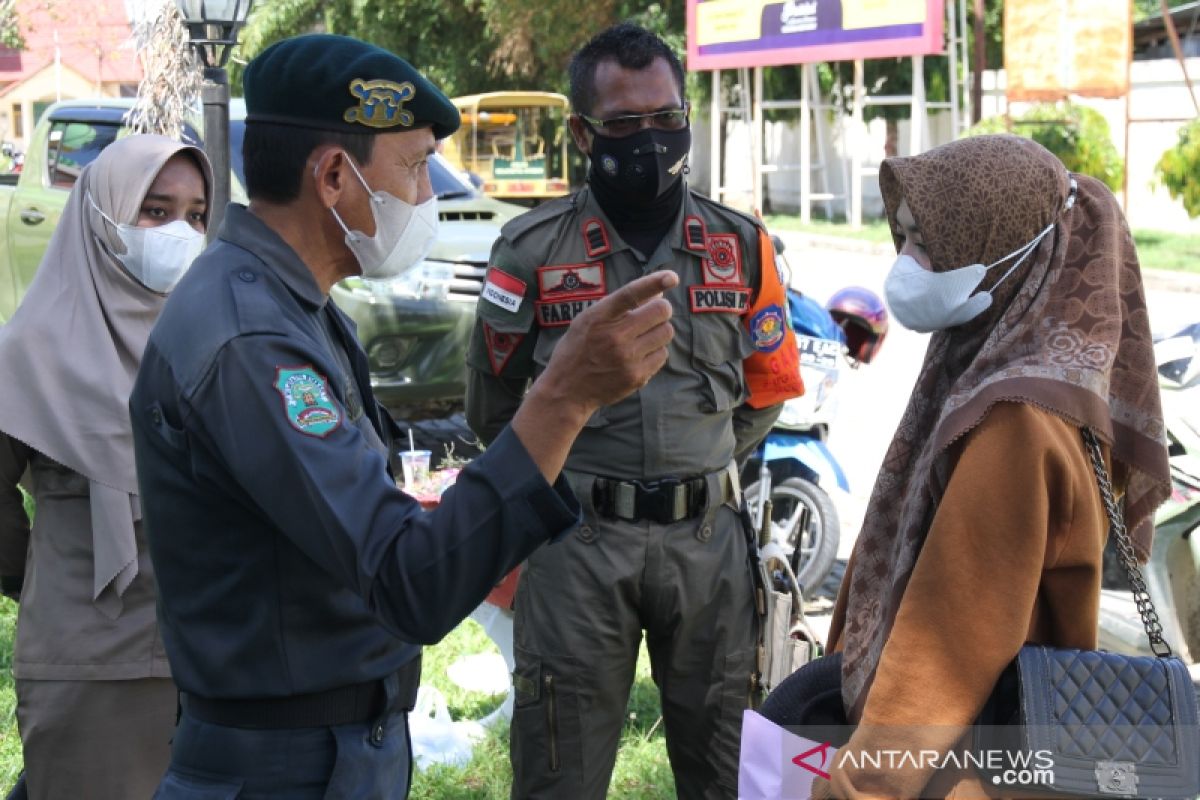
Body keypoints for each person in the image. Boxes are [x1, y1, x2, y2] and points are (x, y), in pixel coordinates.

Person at [129, 34, 678, 800]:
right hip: (283, 767)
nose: (428, 196)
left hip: (325, 749)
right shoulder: (253, 340)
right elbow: (407, 581)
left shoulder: (293, 307)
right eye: (416, 166)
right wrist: (564, 396)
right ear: (332, 176)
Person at [465, 23, 805, 799]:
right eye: (624, 125)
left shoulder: (743, 247)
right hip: (578, 543)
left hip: (709, 545)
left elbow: (768, 391)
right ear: (583, 132)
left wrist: (701, 459)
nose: (650, 139)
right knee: (560, 772)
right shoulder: (529, 251)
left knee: (726, 775)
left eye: (667, 117)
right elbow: (494, 408)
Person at [790, 134, 1171, 798]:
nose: (906, 262)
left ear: (1004, 258)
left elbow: (942, 655)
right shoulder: (1023, 370)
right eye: (903, 237)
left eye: (928, 244)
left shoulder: (1016, 424)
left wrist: (857, 788)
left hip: (964, 770)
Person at [0, 134, 211, 800]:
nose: (180, 233)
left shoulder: (216, 337)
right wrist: (38, 573)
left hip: (224, 657)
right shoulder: (31, 350)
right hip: (93, 658)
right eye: (154, 210)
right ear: (101, 217)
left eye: (197, 215)